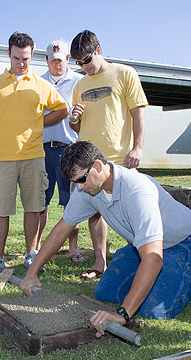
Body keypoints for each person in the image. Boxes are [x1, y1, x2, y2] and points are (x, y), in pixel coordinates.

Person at [20, 141, 191, 331]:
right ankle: (152, 281)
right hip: (142, 247)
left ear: (98, 166)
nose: (79, 187)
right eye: (75, 182)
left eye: (81, 180)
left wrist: (123, 314)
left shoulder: (136, 191)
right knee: (105, 292)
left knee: (154, 311)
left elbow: (153, 259)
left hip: (179, 244)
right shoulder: (88, 187)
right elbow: (62, 229)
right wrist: (31, 273)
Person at [0, 32, 68, 277]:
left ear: (32, 55)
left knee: (34, 208)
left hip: (34, 156)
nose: (21, 63)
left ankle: (31, 254)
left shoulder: (41, 85)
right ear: (8, 54)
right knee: (1, 209)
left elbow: (62, 110)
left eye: (25, 58)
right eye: (16, 58)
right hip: (3, 158)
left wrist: (39, 123)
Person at [68, 30, 148, 279]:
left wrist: (137, 148)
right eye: (78, 63)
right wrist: (73, 119)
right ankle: (100, 261)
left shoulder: (125, 73)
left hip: (119, 158)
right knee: (94, 212)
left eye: (87, 61)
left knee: (131, 211)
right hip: (87, 162)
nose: (84, 67)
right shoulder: (80, 84)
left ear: (99, 51)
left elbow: (138, 113)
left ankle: (142, 258)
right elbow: (77, 127)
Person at [37, 40, 84, 264]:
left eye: (61, 60)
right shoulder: (37, 82)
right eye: (53, 60)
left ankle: (72, 247)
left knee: (71, 202)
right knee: (40, 201)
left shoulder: (79, 82)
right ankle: (34, 247)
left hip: (69, 149)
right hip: (42, 149)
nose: (57, 64)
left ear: (68, 59)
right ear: (47, 60)